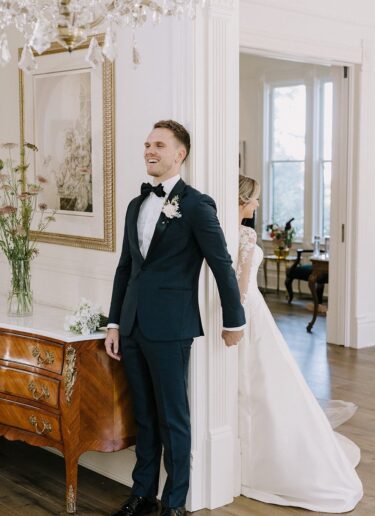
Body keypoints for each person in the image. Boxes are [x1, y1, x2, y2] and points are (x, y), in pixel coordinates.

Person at [104, 120, 245, 516]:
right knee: (144, 417)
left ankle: (174, 504)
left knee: (173, 420)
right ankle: (142, 494)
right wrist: (114, 323)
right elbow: (125, 268)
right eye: (147, 144)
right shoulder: (136, 205)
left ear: (179, 154)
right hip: (130, 327)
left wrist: (234, 320)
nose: (150, 150)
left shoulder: (198, 205)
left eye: (159, 145)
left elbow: (221, 264)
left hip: (171, 328)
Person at [237, 174, 363, 512]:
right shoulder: (245, 234)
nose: (258, 205)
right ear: (242, 200)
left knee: (250, 383)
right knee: (261, 382)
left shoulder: (217, 231)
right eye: (255, 199)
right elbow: (242, 290)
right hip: (247, 313)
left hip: (236, 312)